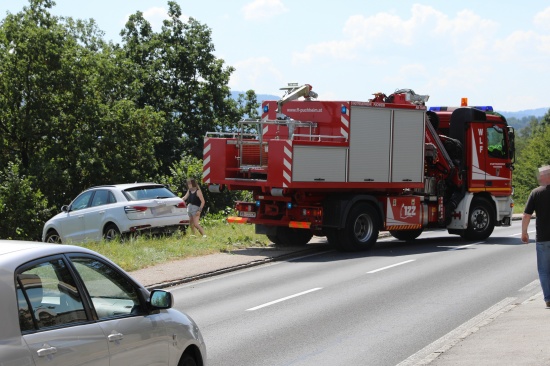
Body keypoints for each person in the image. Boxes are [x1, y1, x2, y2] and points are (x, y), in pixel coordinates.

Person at [521, 165, 550, 308]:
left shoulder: (536, 193)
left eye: (541, 176)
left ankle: (548, 298)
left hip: (543, 238)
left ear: (545, 177)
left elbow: (526, 215)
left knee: (544, 270)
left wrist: (524, 232)